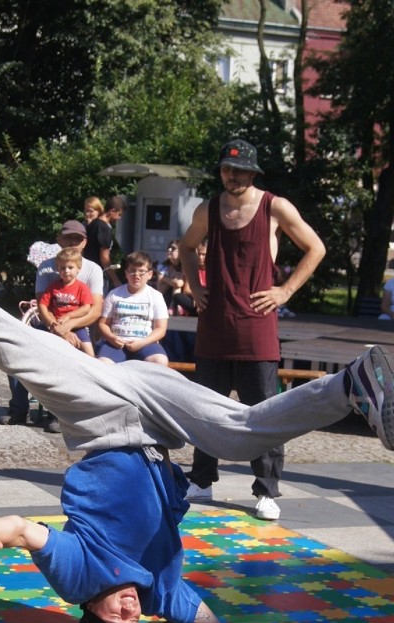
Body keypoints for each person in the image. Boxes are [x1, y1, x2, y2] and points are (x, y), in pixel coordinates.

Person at [0, 213, 394, 623]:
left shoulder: (79, 578)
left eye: (114, 616)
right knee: (241, 438)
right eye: (130, 618)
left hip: (100, 423)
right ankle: (351, 385)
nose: (126, 608)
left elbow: (26, 531)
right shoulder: (159, 595)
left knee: (14, 350)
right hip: (156, 426)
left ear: (89, 611)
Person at [180, 138, 326, 522]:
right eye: (227, 169)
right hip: (215, 325)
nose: (232, 176)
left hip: (257, 327)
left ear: (253, 172)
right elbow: (187, 246)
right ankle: (202, 478)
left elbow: (316, 248)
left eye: (240, 169)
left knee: (265, 412)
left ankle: (266, 490)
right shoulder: (209, 208)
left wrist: (285, 291)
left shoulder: (274, 206)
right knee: (205, 408)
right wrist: (195, 287)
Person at [1, 219, 104, 430]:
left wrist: (69, 326)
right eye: (68, 238)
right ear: (59, 239)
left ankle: (60, 413)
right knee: (15, 352)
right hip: (49, 325)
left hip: (78, 326)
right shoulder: (48, 268)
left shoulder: (93, 270)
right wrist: (57, 330)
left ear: (85, 242)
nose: (73, 242)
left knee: (82, 360)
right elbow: (41, 304)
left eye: (78, 238)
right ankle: (19, 409)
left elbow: (94, 309)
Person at [96, 251, 169, 365]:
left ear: (149, 274)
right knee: (102, 363)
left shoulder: (156, 296)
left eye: (141, 271)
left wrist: (142, 343)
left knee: (160, 361)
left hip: (146, 343)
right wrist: (112, 338)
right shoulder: (114, 294)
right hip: (116, 343)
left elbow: (161, 329)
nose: (136, 275)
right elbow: (103, 324)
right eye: (132, 271)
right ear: (126, 273)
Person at [37, 247, 95, 356]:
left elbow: (86, 307)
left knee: (89, 352)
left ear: (79, 268)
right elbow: (42, 304)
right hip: (56, 323)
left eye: (70, 267)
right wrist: (50, 321)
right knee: (35, 340)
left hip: (76, 325)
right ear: (57, 269)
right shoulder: (53, 287)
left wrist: (69, 315)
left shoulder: (82, 288)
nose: (66, 271)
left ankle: (94, 368)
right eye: (62, 268)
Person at [83, 194, 126, 291]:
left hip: (85, 271)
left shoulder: (93, 224)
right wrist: (115, 280)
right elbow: (104, 258)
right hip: (96, 274)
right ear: (112, 211)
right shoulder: (104, 228)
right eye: (119, 214)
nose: (119, 218)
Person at [156, 240, 186, 309]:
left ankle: (175, 308)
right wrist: (171, 279)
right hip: (166, 296)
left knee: (177, 288)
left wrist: (164, 278)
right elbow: (160, 290)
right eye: (168, 248)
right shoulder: (162, 267)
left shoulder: (185, 266)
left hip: (182, 295)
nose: (169, 250)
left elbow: (179, 283)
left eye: (173, 248)